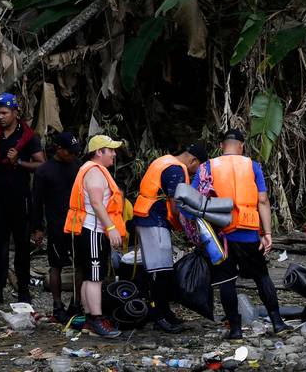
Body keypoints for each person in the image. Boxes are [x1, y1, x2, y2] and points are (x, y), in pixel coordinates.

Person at [193, 129, 288, 339]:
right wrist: (267, 233)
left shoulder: (207, 166)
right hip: (249, 231)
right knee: (261, 276)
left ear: (221, 145)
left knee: (227, 281)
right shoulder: (252, 166)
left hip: (220, 234)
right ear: (242, 145)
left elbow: (194, 199)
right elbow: (262, 200)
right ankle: (278, 323)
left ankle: (235, 329)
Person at [133, 142, 207, 333]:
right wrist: (189, 228)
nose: (193, 174)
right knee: (160, 270)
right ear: (193, 160)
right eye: (196, 169)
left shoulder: (164, 161)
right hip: (153, 220)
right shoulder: (176, 169)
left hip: (149, 219)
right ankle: (159, 316)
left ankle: (164, 312)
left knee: (162, 268)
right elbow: (176, 205)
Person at [0, 92, 45, 304]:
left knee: (22, 245)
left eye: (4, 113)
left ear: (15, 113)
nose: (0, 117)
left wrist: (19, 162)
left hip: (20, 197)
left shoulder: (28, 137)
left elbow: (41, 165)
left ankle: (23, 289)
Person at [63, 134, 127, 338]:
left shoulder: (90, 170)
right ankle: (96, 319)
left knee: (89, 276)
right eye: (111, 150)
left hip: (87, 229)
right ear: (99, 152)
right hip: (92, 230)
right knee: (94, 277)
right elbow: (97, 203)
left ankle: (87, 318)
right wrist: (111, 228)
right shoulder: (95, 173)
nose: (114, 154)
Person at [31, 131, 84, 323]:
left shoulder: (78, 166)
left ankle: (76, 303)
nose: (73, 155)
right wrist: (37, 228)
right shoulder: (44, 171)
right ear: (59, 149)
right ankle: (57, 304)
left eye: (75, 152)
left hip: (78, 224)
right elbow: (36, 202)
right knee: (56, 266)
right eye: (70, 152)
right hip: (56, 226)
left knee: (80, 265)